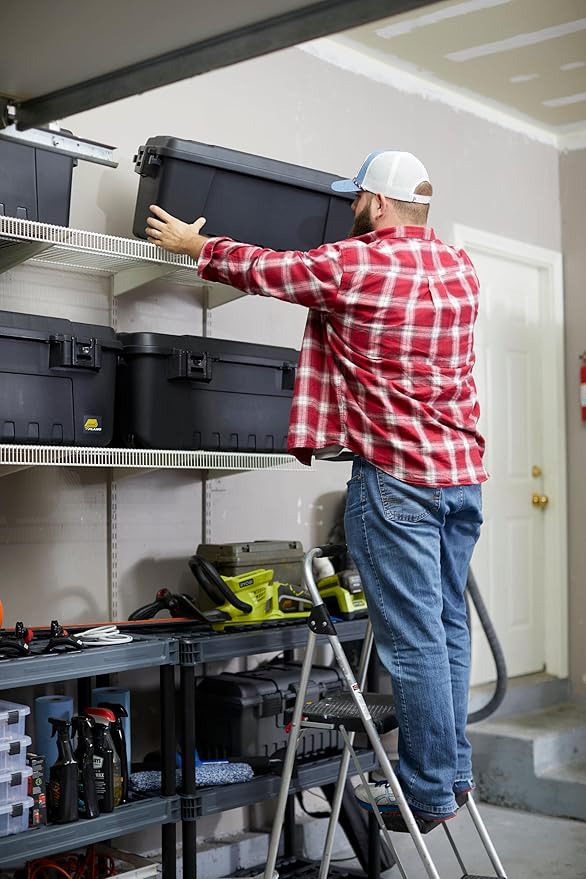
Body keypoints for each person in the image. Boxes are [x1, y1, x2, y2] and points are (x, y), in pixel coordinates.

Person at [145, 149, 487, 832]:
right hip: (462, 477)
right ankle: (451, 775)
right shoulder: (462, 269)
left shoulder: (359, 263)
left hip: (397, 479)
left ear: (380, 203)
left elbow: (275, 270)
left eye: (358, 199)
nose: (352, 209)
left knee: (413, 641)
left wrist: (195, 245)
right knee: (449, 628)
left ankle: (423, 791)